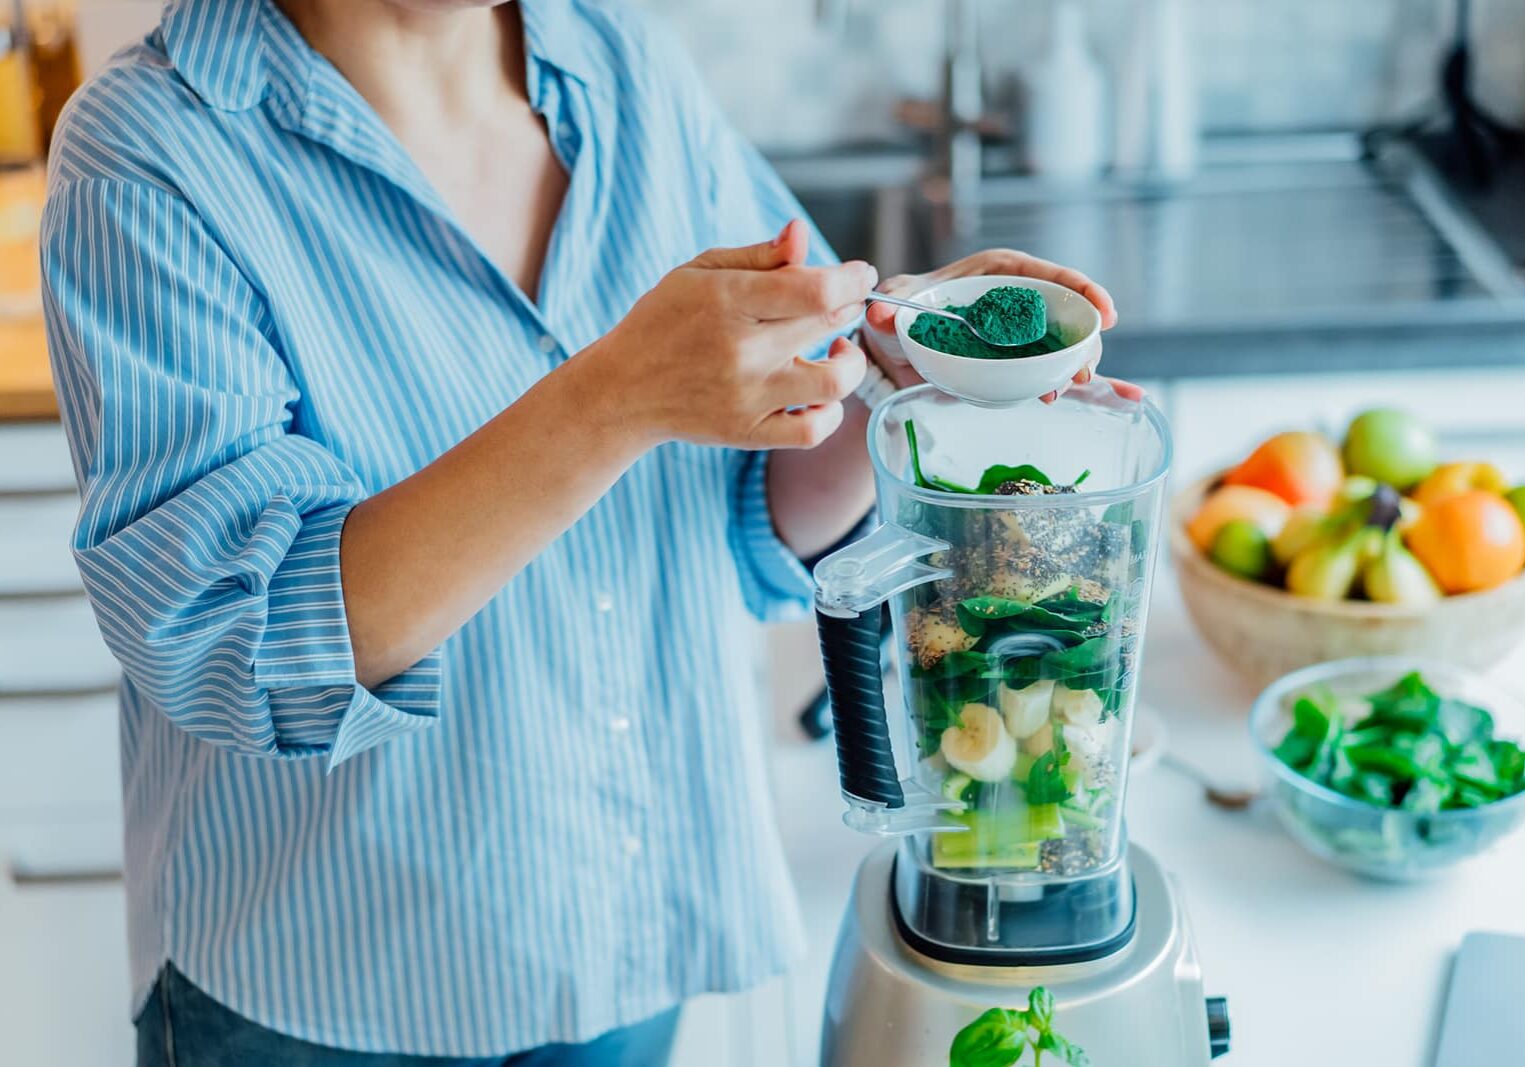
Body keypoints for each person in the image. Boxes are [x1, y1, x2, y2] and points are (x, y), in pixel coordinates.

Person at [40, 0, 1121, 1063]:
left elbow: (753, 511)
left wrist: (886, 379)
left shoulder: (620, 60)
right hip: (328, 992)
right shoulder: (146, 151)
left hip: (624, 932)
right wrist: (610, 398)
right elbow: (238, 636)